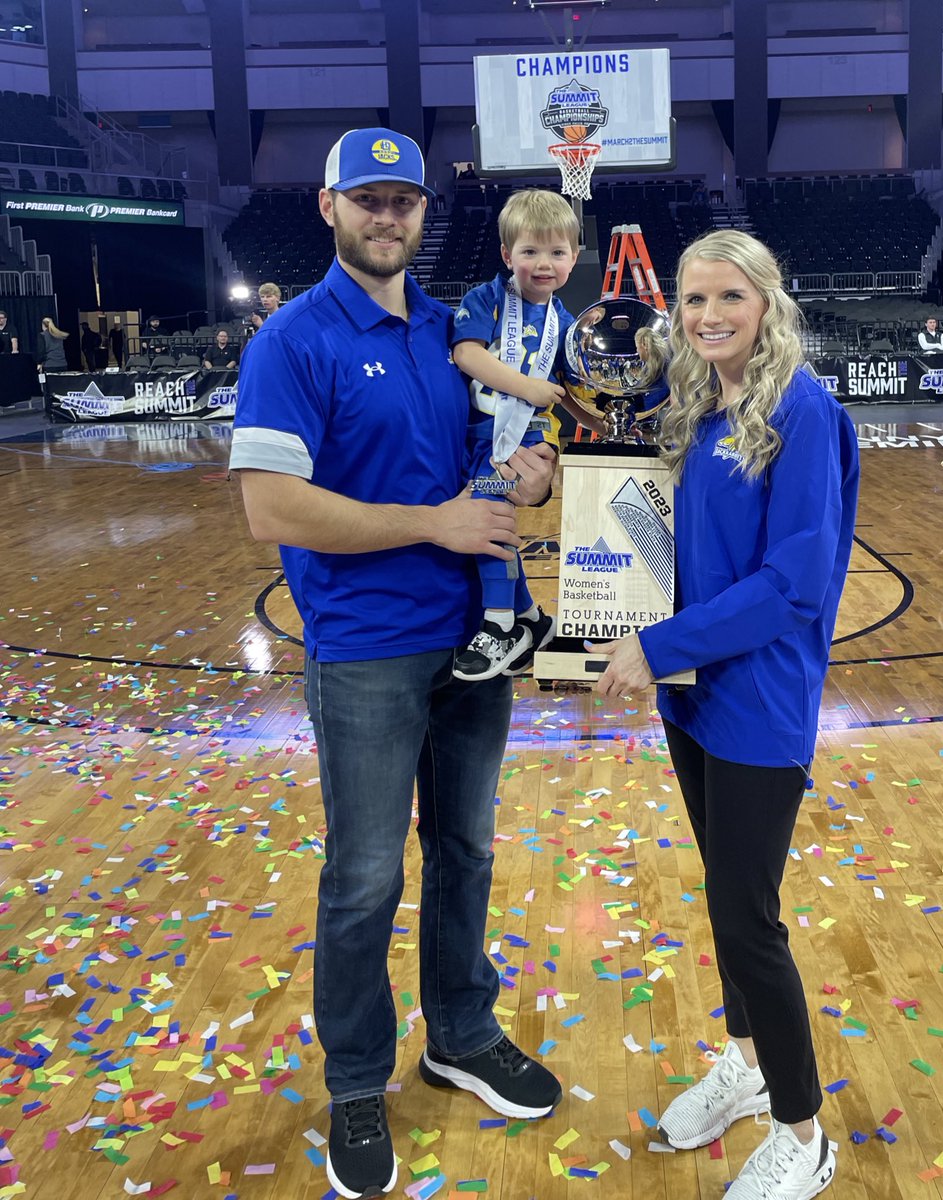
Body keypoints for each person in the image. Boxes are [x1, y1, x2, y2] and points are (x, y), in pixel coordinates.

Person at [229, 125, 561, 1200]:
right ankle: (359, 1080)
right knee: (365, 877)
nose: (386, 218)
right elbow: (270, 507)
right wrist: (437, 526)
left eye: (404, 202)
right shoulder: (290, 339)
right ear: (327, 208)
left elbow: (482, 472)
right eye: (366, 200)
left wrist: (531, 469)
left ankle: (458, 1033)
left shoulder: (444, 331)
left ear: (425, 214)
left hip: (470, 641)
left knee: (464, 851)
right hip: (367, 649)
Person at [593, 230, 858, 1200]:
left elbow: (791, 586)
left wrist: (652, 648)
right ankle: (744, 1067)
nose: (706, 316)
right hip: (695, 698)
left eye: (726, 299)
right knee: (721, 895)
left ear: (767, 303)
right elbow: (642, 511)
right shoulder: (696, 400)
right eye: (691, 301)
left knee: (746, 922)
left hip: (758, 700)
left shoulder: (801, 411)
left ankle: (802, 1131)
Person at [449, 188, 584, 680]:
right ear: (508, 255)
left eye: (556, 252)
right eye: (530, 251)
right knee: (495, 525)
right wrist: (530, 386)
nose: (543, 263)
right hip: (479, 438)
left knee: (490, 521)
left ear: (574, 258)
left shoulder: (567, 325)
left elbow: (570, 392)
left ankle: (501, 623)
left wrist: (600, 420)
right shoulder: (484, 299)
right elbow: (468, 355)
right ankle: (530, 618)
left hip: (521, 446)